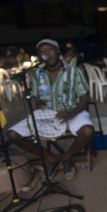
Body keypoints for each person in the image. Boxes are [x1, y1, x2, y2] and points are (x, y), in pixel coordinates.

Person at [7, 38, 94, 181]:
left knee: (87, 131)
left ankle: (67, 157)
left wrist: (69, 114)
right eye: (42, 52)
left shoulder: (74, 72)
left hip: (71, 112)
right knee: (12, 135)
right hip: (46, 114)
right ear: (40, 56)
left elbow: (85, 99)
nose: (46, 53)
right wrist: (39, 103)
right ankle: (51, 158)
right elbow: (36, 97)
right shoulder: (37, 74)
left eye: (50, 50)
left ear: (58, 52)